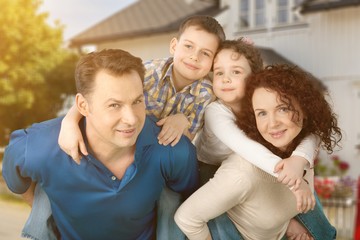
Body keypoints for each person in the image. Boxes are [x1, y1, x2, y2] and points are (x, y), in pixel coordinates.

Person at [2, 49, 199, 239]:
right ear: (83, 106)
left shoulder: (174, 151)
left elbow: (185, 199)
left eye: (137, 101)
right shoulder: (37, 148)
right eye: (114, 105)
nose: (131, 119)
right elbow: (19, 183)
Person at [175, 64, 342, 240]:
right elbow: (186, 218)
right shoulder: (242, 174)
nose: (272, 123)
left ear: (305, 108)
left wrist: (287, 226)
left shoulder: (300, 153)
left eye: (283, 108)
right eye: (262, 113)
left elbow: (269, 201)